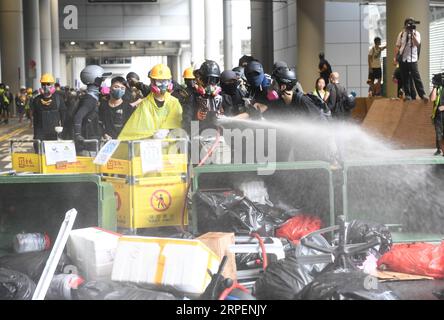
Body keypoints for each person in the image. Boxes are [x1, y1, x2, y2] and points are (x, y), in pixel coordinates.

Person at [118, 64, 183, 141]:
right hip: (150, 146)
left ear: (170, 82)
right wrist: (151, 136)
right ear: (152, 82)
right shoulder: (145, 104)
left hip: (170, 148)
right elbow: (136, 130)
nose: (163, 85)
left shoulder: (174, 102)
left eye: (165, 81)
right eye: (159, 81)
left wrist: (167, 131)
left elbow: (179, 125)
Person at [73, 65, 111, 154]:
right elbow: (78, 116)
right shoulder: (90, 100)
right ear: (96, 81)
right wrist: (78, 135)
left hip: (92, 139)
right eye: (102, 80)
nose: (103, 82)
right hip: (89, 143)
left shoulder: (93, 97)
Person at [393, 17, 428, 102]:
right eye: (408, 25)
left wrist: (412, 34)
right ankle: (408, 95)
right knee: (405, 78)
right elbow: (397, 46)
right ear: (405, 26)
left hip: (413, 59)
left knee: (416, 77)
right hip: (403, 59)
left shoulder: (417, 33)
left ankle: (422, 94)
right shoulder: (401, 34)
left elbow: (417, 44)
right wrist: (395, 57)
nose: (409, 27)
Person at [31, 74, 67, 148]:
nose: (46, 86)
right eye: (43, 84)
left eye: (48, 84)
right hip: (41, 133)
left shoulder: (58, 99)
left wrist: (63, 133)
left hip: (55, 133)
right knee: (40, 154)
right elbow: (35, 119)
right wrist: (36, 135)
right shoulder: (36, 100)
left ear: (52, 85)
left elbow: (64, 116)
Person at [430, 75, 444, 156]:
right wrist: (435, 87)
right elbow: (432, 99)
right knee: (439, 133)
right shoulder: (438, 88)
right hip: (438, 115)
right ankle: (439, 149)